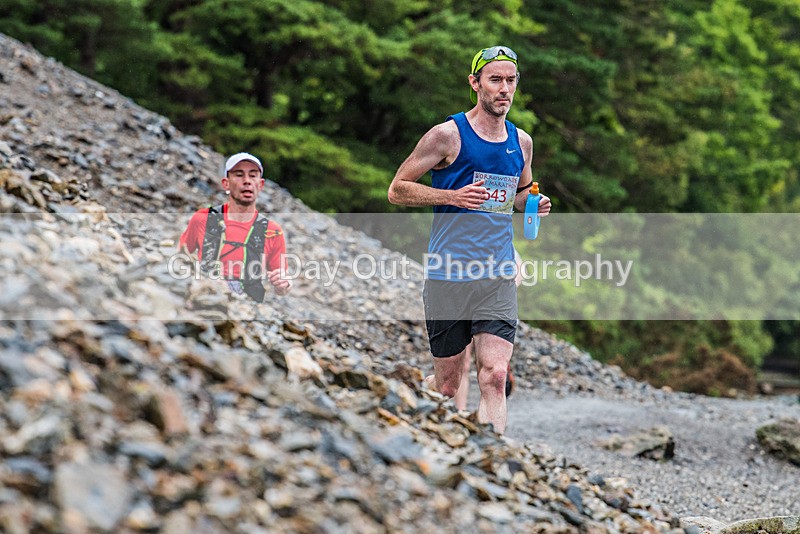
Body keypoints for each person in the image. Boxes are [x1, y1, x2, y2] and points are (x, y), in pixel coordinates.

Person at [388, 46, 551, 434]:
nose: (504, 89)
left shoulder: (521, 142)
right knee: (447, 386)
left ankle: (495, 461)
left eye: (511, 81)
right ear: (474, 83)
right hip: (448, 271)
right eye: (495, 80)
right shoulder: (447, 135)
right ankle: (412, 403)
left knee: (494, 374)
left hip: (497, 272)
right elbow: (397, 190)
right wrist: (450, 196)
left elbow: (516, 195)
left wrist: (533, 203)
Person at [180, 152, 291, 301]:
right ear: (226, 183)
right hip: (206, 298)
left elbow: (283, 286)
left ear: (261, 184)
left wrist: (284, 283)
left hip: (247, 307)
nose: (247, 181)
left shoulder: (273, 231)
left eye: (253, 176)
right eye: (239, 175)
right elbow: (179, 259)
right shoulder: (202, 219)